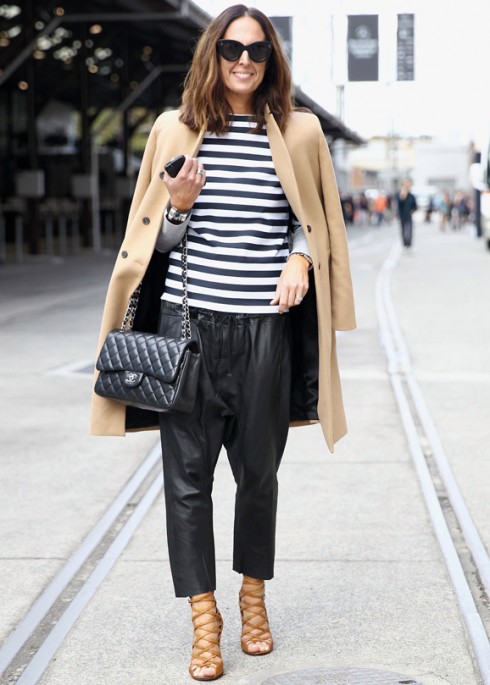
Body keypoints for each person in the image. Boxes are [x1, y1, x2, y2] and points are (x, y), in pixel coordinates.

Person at [90, 4, 356, 681]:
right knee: (186, 484)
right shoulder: (172, 129)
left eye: (257, 50)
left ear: (271, 61)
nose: (244, 59)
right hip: (190, 331)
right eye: (232, 47)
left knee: (259, 476)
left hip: (265, 330)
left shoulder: (299, 131)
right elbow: (152, 244)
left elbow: (316, 218)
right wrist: (177, 206)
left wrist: (300, 258)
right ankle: (205, 622)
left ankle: (254, 599)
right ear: (212, 53)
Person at [396, 179, 418, 249]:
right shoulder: (399, 195)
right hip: (402, 216)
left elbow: (415, 206)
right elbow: (398, 205)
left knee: (409, 230)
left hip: (409, 216)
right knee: (403, 230)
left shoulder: (412, 196)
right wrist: (402, 197)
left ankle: (409, 244)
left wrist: (412, 211)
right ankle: (404, 244)